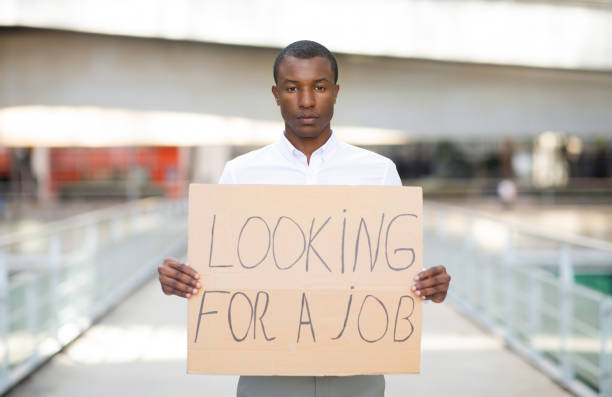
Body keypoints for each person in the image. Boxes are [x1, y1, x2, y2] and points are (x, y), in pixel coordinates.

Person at [158, 40, 451, 397]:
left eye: (320, 87)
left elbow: (400, 273)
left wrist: (431, 285)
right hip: (268, 373)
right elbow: (216, 272)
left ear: (336, 93)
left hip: (356, 372)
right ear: (276, 94)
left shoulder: (378, 172)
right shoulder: (240, 173)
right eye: (293, 88)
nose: (307, 101)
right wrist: (179, 279)